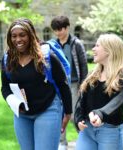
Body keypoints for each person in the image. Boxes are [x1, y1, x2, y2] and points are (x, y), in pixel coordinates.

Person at [1, 18, 72, 150]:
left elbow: (63, 84)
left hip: (48, 110)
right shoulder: (8, 59)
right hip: (22, 115)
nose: (18, 39)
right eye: (14, 36)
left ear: (31, 35)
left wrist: (67, 114)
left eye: (22, 35)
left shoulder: (47, 56)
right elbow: (5, 87)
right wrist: (13, 102)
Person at [74, 33, 123, 150]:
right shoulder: (93, 74)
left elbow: (117, 101)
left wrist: (100, 114)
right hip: (87, 130)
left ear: (109, 50)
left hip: (110, 132)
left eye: (97, 46)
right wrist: (78, 118)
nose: (93, 49)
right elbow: (81, 101)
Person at [51, 15, 88, 149]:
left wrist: (83, 85)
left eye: (60, 29)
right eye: (55, 30)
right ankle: (62, 142)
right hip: (58, 85)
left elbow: (83, 66)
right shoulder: (53, 45)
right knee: (60, 113)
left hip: (74, 84)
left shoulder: (76, 44)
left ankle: (84, 139)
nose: (58, 32)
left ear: (67, 28)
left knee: (74, 113)